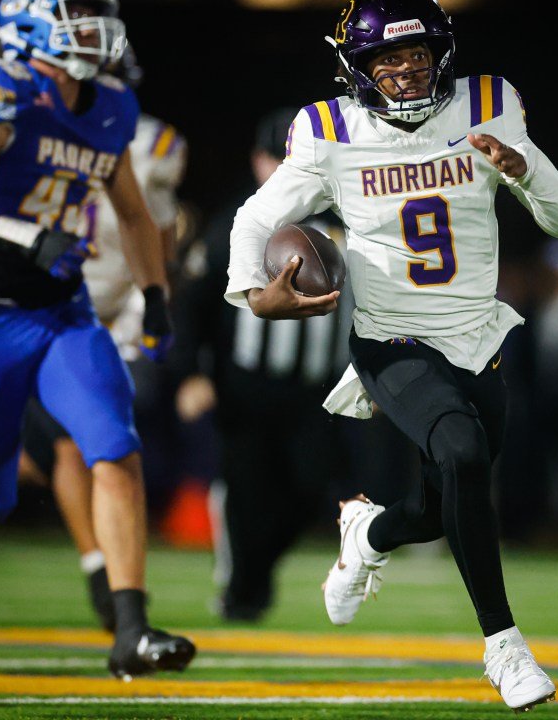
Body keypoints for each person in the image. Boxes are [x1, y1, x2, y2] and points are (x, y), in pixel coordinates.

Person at [224, 0, 558, 712]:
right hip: (392, 338)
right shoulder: (330, 131)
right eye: (387, 61)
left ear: (440, 52)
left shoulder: (487, 105)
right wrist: (252, 293)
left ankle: (368, 534)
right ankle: (504, 646)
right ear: (357, 69)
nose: (407, 71)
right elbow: (255, 220)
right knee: (461, 454)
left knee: (438, 502)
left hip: (476, 336)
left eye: (418, 55)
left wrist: (526, 171)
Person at [0, 0, 194, 678]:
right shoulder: (2, 91)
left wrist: (155, 295)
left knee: (115, 446)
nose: (94, 29)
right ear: (31, 23)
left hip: (63, 312)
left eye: (97, 13)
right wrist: (25, 237)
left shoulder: (111, 105)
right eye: (77, 14)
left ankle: (130, 628)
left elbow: (133, 214)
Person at [171, 107, 406, 622]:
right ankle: (243, 595)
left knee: (310, 491)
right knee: (247, 491)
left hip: (315, 390)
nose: (285, 170)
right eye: (276, 158)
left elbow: (380, 303)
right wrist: (189, 372)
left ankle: (252, 576)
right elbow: (193, 304)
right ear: (257, 161)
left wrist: (380, 372)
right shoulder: (240, 222)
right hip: (246, 387)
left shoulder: (351, 219)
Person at [13, 40, 188, 632]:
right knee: (59, 446)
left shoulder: (151, 142)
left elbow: (157, 230)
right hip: (43, 303)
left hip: (116, 309)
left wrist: (155, 302)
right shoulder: (29, 122)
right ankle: (97, 564)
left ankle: (108, 575)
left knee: (100, 440)